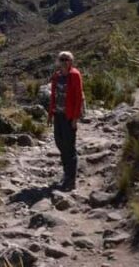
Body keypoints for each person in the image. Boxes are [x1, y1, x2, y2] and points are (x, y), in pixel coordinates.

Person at [47, 51, 85, 191]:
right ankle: (66, 172)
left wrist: (75, 118)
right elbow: (53, 96)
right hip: (58, 114)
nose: (64, 61)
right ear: (58, 61)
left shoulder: (74, 75)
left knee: (69, 146)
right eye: (61, 59)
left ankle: (71, 179)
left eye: (66, 59)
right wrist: (50, 114)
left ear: (71, 61)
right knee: (59, 142)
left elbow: (78, 97)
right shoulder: (57, 76)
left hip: (69, 116)